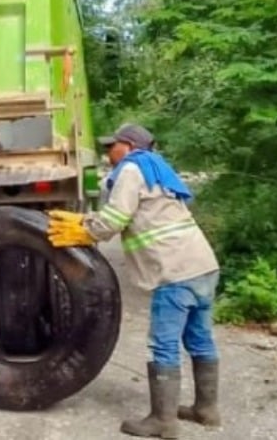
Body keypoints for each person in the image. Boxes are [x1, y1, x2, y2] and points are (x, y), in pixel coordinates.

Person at [47, 124, 222, 438]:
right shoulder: (157, 170)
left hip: (175, 271)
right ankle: (206, 409)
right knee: (200, 338)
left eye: (111, 146)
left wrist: (85, 229)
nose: (107, 152)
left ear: (126, 146)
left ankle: (163, 421)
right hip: (203, 265)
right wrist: (84, 221)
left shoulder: (130, 169)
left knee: (163, 344)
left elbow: (113, 221)